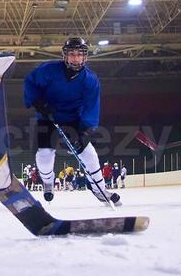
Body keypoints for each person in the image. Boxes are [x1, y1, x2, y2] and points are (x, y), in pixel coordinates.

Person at [22, 36, 118, 205]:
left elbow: (91, 107)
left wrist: (85, 132)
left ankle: (100, 190)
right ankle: (48, 182)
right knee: (44, 154)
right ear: (65, 56)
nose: (76, 58)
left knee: (89, 154)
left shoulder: (90, 80)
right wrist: (37, 101)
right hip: (47, 118)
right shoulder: (49, 70)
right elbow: (30, 82)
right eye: (72, 54)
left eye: (79, 54)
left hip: (74, 120)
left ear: (85, 57)